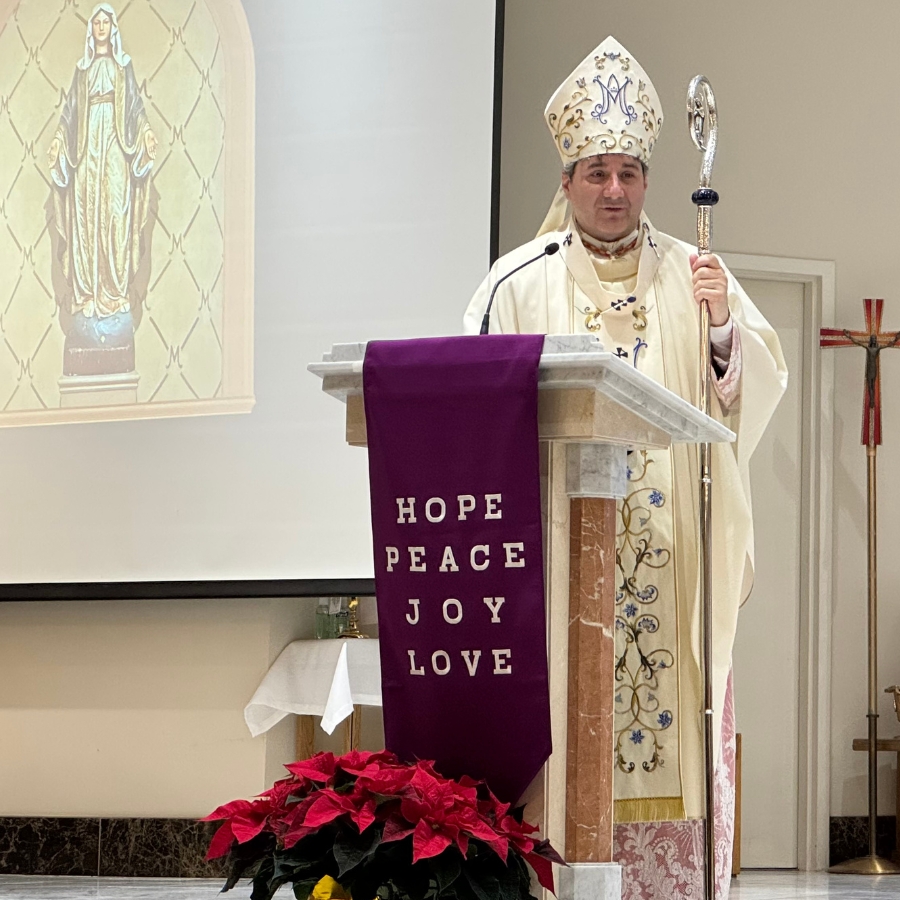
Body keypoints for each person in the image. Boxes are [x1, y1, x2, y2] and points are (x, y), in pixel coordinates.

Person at [464, 36, 787, 899]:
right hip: (559, 571)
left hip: (670, 567)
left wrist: (722, 331)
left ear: (647, 179)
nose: (614, 191)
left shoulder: (695, 273)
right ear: (566, 179)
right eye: (596, 172)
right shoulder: (515, 284)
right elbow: (473, 413)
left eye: (630, 173)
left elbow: (749, 384)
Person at [49, 3, 157, 377]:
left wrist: (144, 134)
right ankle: (88, 298)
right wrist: (60, 142)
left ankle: (112, 298)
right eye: (94, 22)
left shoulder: (123, 68)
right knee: (86, 223)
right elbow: (67, 116)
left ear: (112, 29)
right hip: (85, 157)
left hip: (114, 150)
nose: (99, 28)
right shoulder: (82, 73)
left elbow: (137, 111)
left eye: (104, 22)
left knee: (114, 216)